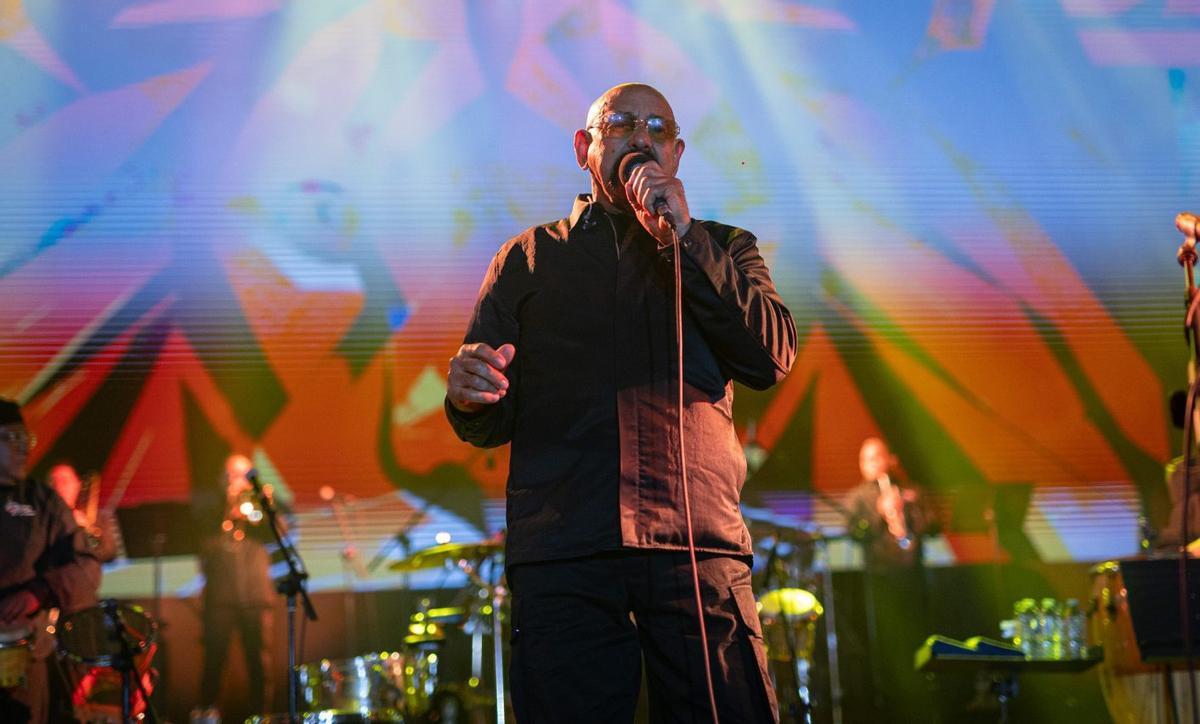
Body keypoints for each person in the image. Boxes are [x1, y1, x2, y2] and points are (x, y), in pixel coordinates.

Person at [445, 82, 796, 723]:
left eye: (658, 128)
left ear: (678, 155)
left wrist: (685, 236)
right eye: (623, 124)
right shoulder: (527, 261)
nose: (641, 137)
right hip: (566, 555)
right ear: (586, 147)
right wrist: (469, 396)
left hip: (696, 548)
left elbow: (770, 357)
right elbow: (488, 412)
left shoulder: (725, 246)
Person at [0, 398, 101, 723]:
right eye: (11, 439)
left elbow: (86, 566)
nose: (23, 449)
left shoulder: (43, 502)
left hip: (23, 654)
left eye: (25, 440)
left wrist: (38, 593)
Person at [845, 437, 939, 722]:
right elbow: (854, 532)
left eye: (877, 457)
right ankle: (889, 705)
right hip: (880, 578)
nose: (872, 463)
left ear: (890, 459)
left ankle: (925, 701)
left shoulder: (911, 490)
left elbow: (934, 527)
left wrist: (911, 507)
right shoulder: (858, 497)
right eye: (866, 459)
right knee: (887, 643)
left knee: (921, 637)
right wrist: (881, 512)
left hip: (913, 574)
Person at [194, 454, 278, 717]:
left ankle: (261, 716)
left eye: (243, 474)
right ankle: (207, 716)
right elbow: (204, 547)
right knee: (214, 662)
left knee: (259, 664)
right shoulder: (211, 508)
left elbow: (277, 534)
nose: (237, 480)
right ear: (223, 478)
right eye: (231, 474)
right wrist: (226, 513)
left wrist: (261, 509)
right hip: (220, 597)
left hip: (256, 595)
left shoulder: (262, 504)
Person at [48, 463, 120, 564]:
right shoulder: (43, 520)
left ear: (77, 485)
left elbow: (110, 555)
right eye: (54, 482)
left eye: (65, 481)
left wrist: (87, 531)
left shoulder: (99, 518)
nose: (59, 486)